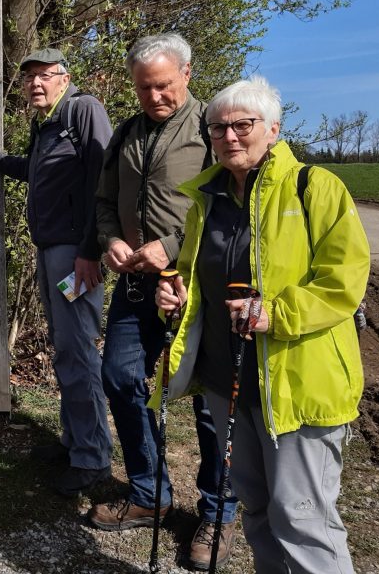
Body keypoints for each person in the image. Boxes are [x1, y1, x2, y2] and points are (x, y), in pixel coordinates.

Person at [156, 76, 368, 574]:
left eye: (242, 125)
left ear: (272, 129)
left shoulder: (314, 187)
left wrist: (278, 312)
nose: (229, 136)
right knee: (256, 511)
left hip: (297, 384)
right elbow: (193, 277)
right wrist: (176, 295)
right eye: (217, 128)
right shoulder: (206, 201)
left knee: (302, 519)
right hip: (226, 381)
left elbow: (344, 280)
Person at [91, 33, 238, 569]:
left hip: (199, 287)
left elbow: (233, 205)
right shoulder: (127, 133)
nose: (154, 97)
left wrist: (171, 248)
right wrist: (110, 240)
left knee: (209, 400)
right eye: (145, 88)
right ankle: (151, 492)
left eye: (164, 86)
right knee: (121, 376)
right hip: (135, 286)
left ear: (188, 75)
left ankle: (218, 513)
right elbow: (105, 200)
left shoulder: (214, 128)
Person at [0, 47, 114, 496]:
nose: (36, 84)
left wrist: (90, 250)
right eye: (29, 78)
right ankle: (74, 442)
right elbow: (37, 172)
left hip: (75, 253)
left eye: (46, 76)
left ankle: (92, 459)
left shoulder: (84, 111)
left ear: (65, 78)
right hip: (51, 249)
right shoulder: (46, 125)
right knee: (64, 346)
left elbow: (99, 181)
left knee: (79, 349)